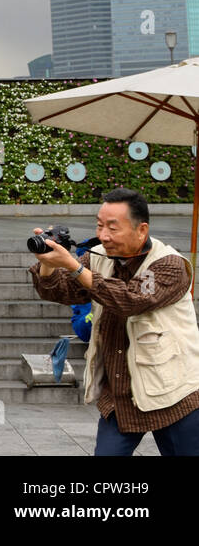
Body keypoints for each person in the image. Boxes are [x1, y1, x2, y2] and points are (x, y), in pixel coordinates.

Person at [29, 187, 199, 456]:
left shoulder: (170, 265)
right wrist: (48, 263)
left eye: (112, 228)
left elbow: (131, 300)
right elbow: (59, 291)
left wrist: (74, 267)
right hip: (120, 395)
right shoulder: (99, 256)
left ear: (141, 230)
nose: (102, 236)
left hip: (172, 394)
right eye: (99, 225)